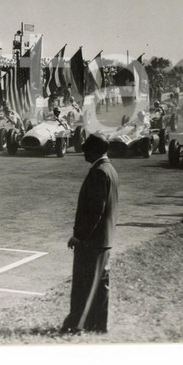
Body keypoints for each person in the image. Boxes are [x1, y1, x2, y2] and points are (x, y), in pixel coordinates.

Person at [61, 132, 119, 334]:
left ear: (96, 150)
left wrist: (80, 236)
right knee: (100, 284)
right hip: (104, 239)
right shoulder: (109, 169)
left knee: (83, 285)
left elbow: (95, 211)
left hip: (92, 241)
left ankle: (76, 325)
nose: (84, 152)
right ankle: (98, 325)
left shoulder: (99, 172)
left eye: (86, 148)